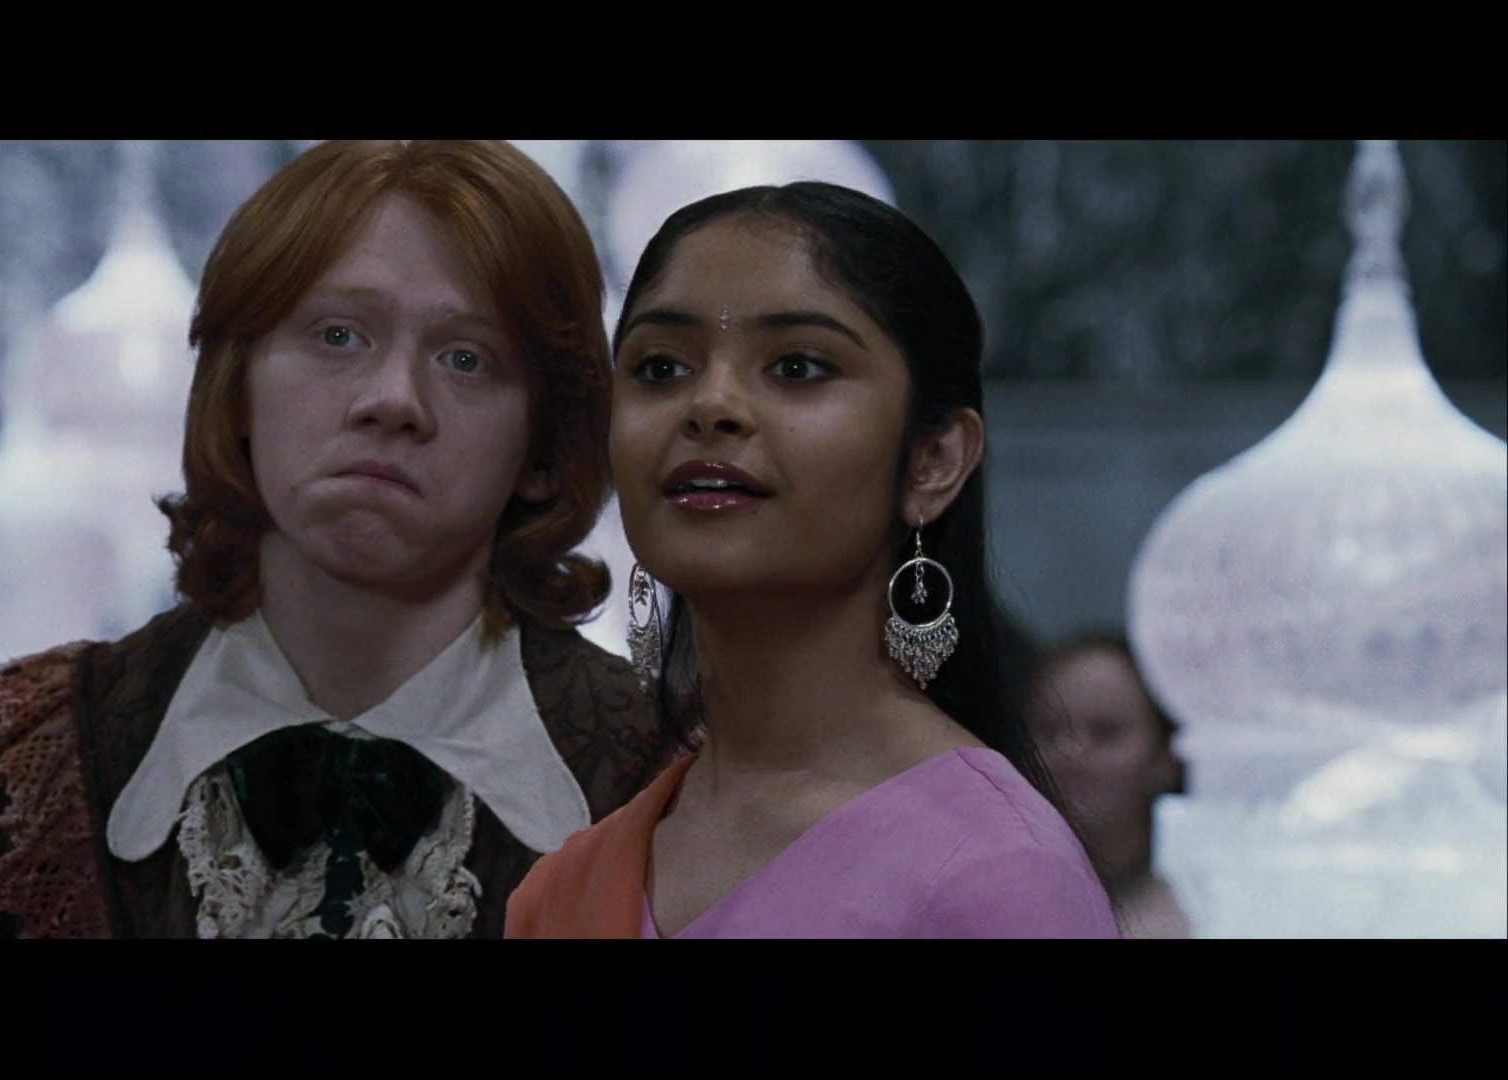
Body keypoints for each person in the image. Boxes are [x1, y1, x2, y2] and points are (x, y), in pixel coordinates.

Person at [0, 140, 670, 939]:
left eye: (467, 358)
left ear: (540, 443)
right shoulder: (26, 765)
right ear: (239, 381)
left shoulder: (672, 777)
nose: (393, 399)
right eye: (338, 336)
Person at [505, 181, 1118, 938]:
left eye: (797, 367)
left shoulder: (998, 876)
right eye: (661, 368)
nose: (711, 405)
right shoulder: (564, 890)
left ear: (933, 460)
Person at [1026, 632, 1191, 938]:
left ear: (1165, 759)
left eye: (1104, 733)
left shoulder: (1203, 902)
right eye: (1049, 732)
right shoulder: (993, 887)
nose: (1071, 752)